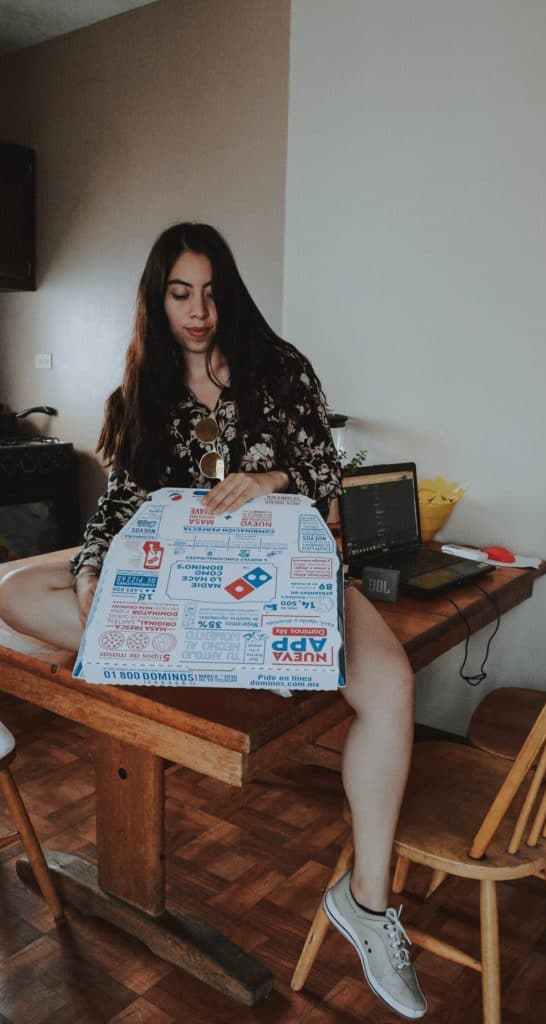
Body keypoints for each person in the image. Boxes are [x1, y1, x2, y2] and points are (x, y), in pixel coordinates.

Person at [0, 223, 426, 1019]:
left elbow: (328, 473)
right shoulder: (140, 394)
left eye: (209, 290)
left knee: (391, 682)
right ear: (157, 299)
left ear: (228, 290)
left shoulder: (280, 368)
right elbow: (119, 507)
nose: (198, 310)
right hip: (181, 586)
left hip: (288, 573)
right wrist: (93, 571)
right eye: (179, 292)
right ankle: (194, 650)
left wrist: (268, 478)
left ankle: (367, 905)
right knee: (17, 592)